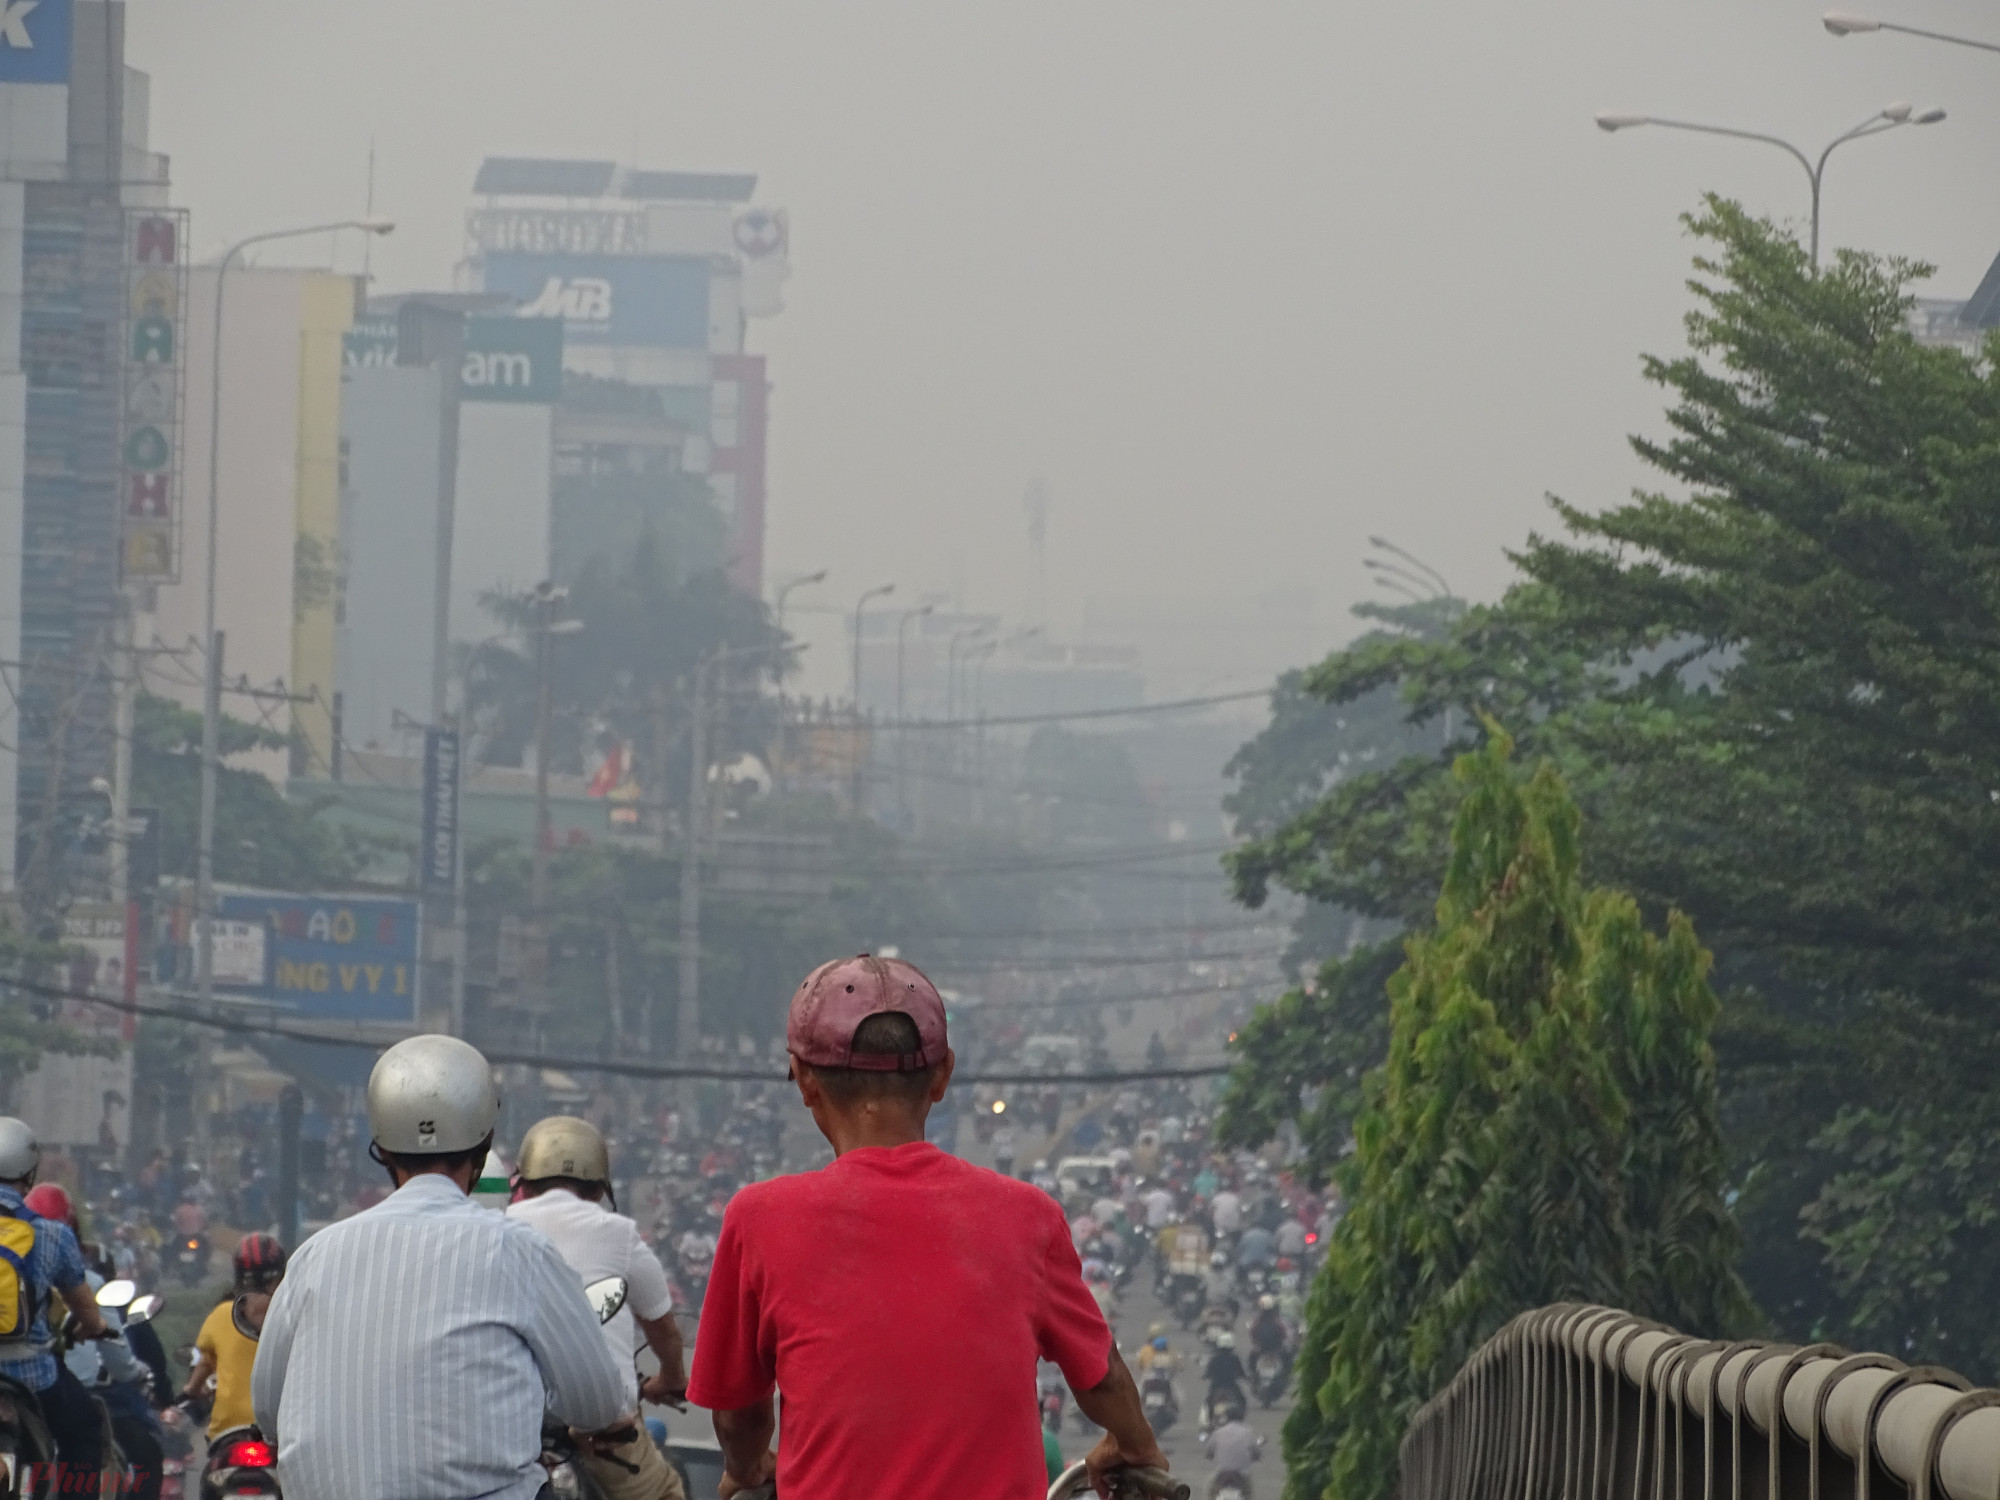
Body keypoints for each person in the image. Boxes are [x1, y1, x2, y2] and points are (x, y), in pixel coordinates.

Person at [687, 953, 1168, 1500]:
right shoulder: (1028, 1215)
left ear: (803, 1081)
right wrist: (1136, 1445)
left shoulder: (757, 1219)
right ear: (942, 1076)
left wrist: (747, 1469)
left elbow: (739, 1417)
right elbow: (1100, 1376)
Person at [251, 1034, 630, 1500]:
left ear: (381, 1148)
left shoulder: (315, 1255)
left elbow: (267, 1411)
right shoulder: (518, 1251)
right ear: (485, 1140)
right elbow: (597, 1403)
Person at [506, 1115, 689, 1500]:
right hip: (604, 1430)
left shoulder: (498, 1227)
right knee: (667, 1492)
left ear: (525, 1182)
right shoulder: (618, 1233)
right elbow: (663, 1329)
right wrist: (671, 1378)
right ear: (598, 1188)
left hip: (511, 1429)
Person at [0, 1119, 115, 1489]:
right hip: (34, 1378)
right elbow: (85, 1308)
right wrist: (94, 1327)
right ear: (29, 1173)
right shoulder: (52, 1234)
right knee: (84, 1429)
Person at [186, 1232, 287, 1443]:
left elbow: (204, 1364)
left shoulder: (221, 1314)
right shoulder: (292, 1312)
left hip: (229, 1430)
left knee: (214, 1474)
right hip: (282, 1428)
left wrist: (189, 1390)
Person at [1202, 1414, 1265, 1499]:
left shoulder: (1218, 1432)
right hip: (1242, 1474)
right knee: (1249, 1493)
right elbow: (1257, 1452)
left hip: (1222, 1472)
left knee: (1210, 1490)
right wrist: (1256, 1457)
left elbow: (1208, 1452)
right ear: (1242, 1418)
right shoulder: (1248, 1432)